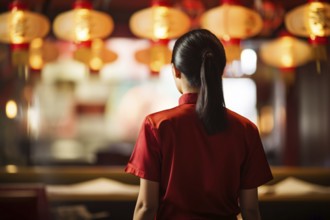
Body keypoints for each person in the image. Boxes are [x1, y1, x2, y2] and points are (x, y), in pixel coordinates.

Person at [125, 29, 273, 220]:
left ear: (175, 71)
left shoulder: (157, 126)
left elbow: (146, 207)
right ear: (220, 70)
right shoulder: (246, 130)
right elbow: (251, 210)